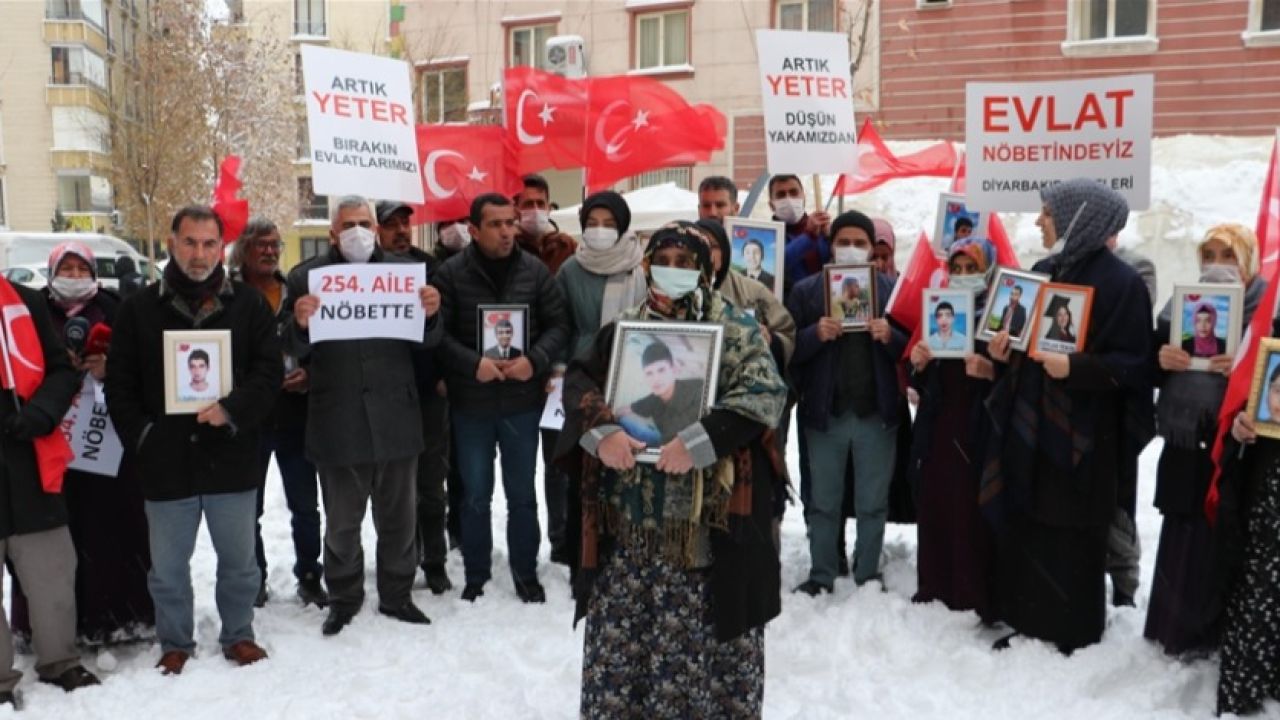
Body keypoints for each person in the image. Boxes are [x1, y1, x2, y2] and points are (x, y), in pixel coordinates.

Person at [560, 220, 787, 718]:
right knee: (624, 651)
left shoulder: (736, 329)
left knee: (700, 653)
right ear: (646, 266)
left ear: (705, 269)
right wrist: (603, 432)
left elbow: (765, 395)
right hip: (630, 529)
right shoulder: (625, 329)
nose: (672, 270)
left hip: (705, 534)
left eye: (685, 262)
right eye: (662, 260)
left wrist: (700, 442)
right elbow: (578, 383)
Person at [106, 205, 282, 674]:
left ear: (222, 247)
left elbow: (268, 374)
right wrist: (145, 436)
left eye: (209, 244)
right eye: (189, 242)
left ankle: (239, 634)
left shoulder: (248, 306)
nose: (199, 254)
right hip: (166, 462)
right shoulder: (139, 309)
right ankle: (175, 640)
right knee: (167, 569)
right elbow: (119, 386)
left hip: (231, 458)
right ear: (171, 243)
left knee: (240, 564)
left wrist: (232, 410)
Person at [982, 179, 1152, 654]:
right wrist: (1003, 350)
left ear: (1078, 218)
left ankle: (1072, 631)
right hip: (1031, 426)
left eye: (1048, 213)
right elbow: (1023, 341)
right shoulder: (1043, 272)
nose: (1039, 221)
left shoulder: (1122, 283)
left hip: (1087, 438)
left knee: (1073, 531)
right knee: (1030, 519)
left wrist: (1076, 368)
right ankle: (1028, 619)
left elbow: (1136, 366)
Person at [283, 196, 443, 636]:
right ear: (333, 234)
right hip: (338, 419)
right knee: (341, 524)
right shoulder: (306, 278)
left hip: (396, 416)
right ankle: (344, 597)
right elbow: (289, 348)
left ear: (375, 230)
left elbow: (429, 343)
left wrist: (432, 316)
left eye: (365, 224)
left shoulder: (406, 275)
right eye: (348, 225)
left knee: (399, 520)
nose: (358, 232)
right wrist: (299, 325)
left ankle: (397, 594)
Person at [9, 242, 154, 648]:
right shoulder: (31, 310)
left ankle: (120, 617)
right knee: (54, 539)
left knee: (112, 531)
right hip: (51, 444)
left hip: (108, 449)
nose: (73, 277)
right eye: (66, 269)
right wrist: (58, 372)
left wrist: (109, 368)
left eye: (81, 269)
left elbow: (143, 366)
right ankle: (52, 626)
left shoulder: (117, 309)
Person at [432, 193, 569, 603]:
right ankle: (476, 574)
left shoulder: (535, 271)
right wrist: (472, 363)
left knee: (522, 495)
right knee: (475, 495)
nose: (507, 231)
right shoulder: (450, 274)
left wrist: (535, 360)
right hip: (471, 404)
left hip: (521, 402)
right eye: (496, 224)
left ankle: (525, 573)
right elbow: (437, 334)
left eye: (511, 222)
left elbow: (558, 325)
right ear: (474, 230)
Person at [1146, 223, 1261, 655]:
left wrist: (1245, 371)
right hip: (1185, 438)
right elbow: (1146, 364)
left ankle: (1213, 632)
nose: (1217, 265)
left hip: (1235, 443)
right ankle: (1173, 627)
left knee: (1222, 531)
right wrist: (1162, 359)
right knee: (1183, 527)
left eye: (1228, 255)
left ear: (1248, 261)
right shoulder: (1182, 306)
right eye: (1209, 255)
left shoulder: (1265, 312)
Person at [0, 251, 102, 707]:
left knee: (53, 572)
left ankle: (60, 660)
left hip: (28, 459)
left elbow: (62, 370)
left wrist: (41, 413)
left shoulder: (25, 301)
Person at [788, 210, 906, 593]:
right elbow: (787, 350)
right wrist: (813, 334)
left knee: (873, 501)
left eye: (859, 242)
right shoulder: (808, 291)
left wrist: (890, 337)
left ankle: (867, 572)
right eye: (843, 242)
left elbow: (915, 350)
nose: (851, 248)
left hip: (876, 413)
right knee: (824, 501)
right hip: (826, 414)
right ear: (831, 245)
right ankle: (822, 573)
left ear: (872, 248)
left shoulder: (892, 290)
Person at [228, 219, 327, 609]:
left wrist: (310, 376)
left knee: (305, 506)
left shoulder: (297, 294)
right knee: (247, 509)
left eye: (274, 245)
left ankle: (310, 576)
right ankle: (255, 579)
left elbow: (322, 345)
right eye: (261, 245)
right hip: (249, 419)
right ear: (243, 250)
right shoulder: (227, 296)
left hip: (294, 416)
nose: (269, 251)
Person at [907, 238, 998, 620]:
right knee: (936, 500)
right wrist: (919, 364)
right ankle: (935, 583)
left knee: (968, 506)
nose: (962, 276)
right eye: (956, 269)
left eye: (971, 269)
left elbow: (1017, 377)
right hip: (939, 425)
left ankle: (968, 588)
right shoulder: (939, 312)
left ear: (988, 271)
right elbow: (923, 380)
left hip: (977, 427)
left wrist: (991, 372)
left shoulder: (997, 318)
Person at [556, 191, 648, 566]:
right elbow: (559, 324)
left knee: (627, 458)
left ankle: (625, 545)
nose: (600, 230)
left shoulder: (640, 267)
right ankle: (580, 551)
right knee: (583, 463)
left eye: (609, 224)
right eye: (592, 223)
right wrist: (559, 368)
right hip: (583, 379)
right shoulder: (569, 270)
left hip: (629, 374)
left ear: (623, 226)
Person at [374, 200, 454, 595]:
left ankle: (434, 560)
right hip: (378, 395)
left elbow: (449, 327)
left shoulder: (432, 269)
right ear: (376, 231)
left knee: (430, 484)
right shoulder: (361, 274)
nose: (401, 231)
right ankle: (397, 558)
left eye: (405, 223)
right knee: (387, 489)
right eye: (391, 224)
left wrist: (443, 373)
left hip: (426, 392)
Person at [1216, 348, 1280, 715]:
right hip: (1268, 493)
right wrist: (1242, 425)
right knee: (1260, 592)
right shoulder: (1271, 333)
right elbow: (1248, 401)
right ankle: (1247, 689)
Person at [769, 174, 831, 299]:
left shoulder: (821, 228)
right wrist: (808, 236)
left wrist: (830, 238)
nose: (789, 199)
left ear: (804, 197)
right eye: (781, 195)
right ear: (771, 205)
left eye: (794, 193)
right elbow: (777, 263)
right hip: (793, 304)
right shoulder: (768, 234)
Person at [515, 174, 576, 275]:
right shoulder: (508, 248)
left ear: (548, 207)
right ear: (516, 209)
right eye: (529, 204)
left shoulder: (565, 246)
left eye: (540, 203)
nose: (536, 210)